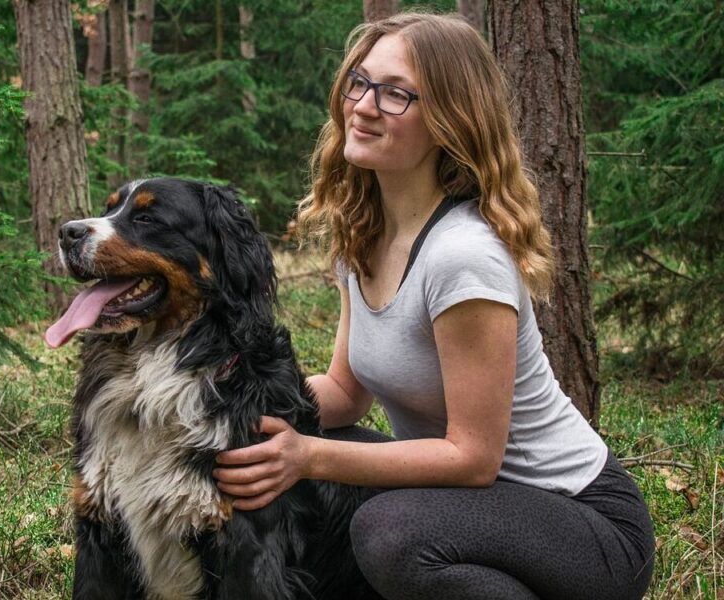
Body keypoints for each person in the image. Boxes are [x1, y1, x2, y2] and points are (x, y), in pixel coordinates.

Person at [212, 11, 655, 600]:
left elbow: (472, 458)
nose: (364, 105)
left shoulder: (462, 256)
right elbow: (346, 392)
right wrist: (222, 406)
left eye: (397, 94)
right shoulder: (365, 235)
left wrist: (309, 455)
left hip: (580, 524)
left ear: (449, 119)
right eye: (359, 82)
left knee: (387, 530)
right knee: (328, 477)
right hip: (476, 507)